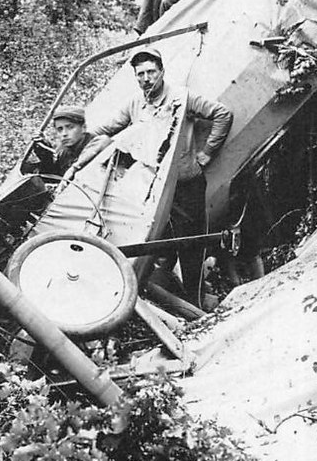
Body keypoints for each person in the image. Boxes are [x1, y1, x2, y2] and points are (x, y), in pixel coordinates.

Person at [75, 48, 233, 304]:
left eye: (151, 72)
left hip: (185, 183)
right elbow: (111, 127)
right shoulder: (136, 104)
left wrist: (206, 154)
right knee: (154, 242)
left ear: (161, 72)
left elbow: (222, 114)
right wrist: (83, 137)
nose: (146, 78)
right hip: (152, 189)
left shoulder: (182, 98)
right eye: (141, 75)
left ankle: (195, 300)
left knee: (191, 243)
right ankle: (156, 298)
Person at [20, 105, 91, 179]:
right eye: (60, 129)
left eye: (70, 127)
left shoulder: (95, 145)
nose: (64, 134)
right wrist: (46, 154)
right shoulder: (64, 151)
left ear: (84, 128)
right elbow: (55, 175)